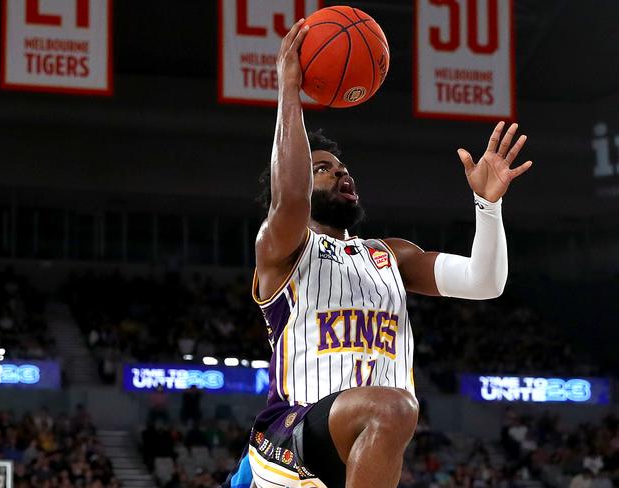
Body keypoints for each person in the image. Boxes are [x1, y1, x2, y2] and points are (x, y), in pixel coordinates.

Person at [224, 19, 533, 488]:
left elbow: (484, 283)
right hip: (294, 437)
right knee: (392, 407)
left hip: (356, 454)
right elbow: (290, 202)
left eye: (344, 168)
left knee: (390, 410)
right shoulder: (281, 249)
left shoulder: (392, 255)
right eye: (324, 169)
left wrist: (488, 206)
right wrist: (290, 90)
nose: (342, 174)